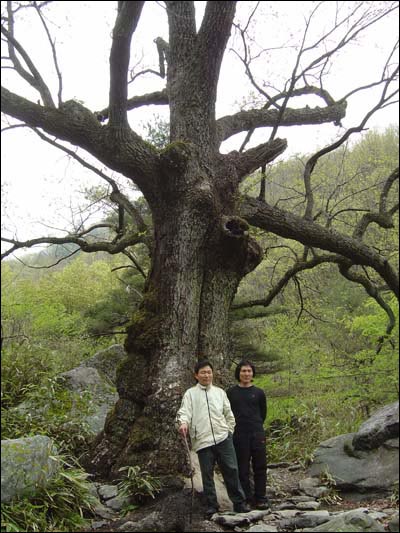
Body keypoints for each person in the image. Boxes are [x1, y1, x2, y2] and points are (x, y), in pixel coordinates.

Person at [176, 359, 251, 518]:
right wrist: (183, 423)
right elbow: (185, 412)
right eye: (203, 372)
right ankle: (212, 505)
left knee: (231, 470)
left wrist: (229, 431)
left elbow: (229, 414)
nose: (206, 375)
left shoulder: (219, 392)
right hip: (203, 440)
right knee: (207, 474)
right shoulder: (190, 394)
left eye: (209, 372)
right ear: (196, 375)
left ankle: (239, 503)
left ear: (212, 374)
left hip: (223, 437)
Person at [227, 360, 270, 510]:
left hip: (257, 433)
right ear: (238, 373)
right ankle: (246, 498)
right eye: (243, 371)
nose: (246, 374)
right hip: (239, 434)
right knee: (242, 468)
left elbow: (263, 413)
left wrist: (256, 426)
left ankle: (261, 498)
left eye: (249, 371)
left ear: (253, 373)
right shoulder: (231, 393)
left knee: (260, 467)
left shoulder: (259, 393)